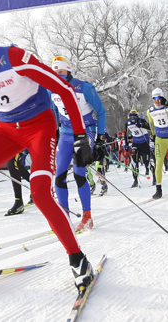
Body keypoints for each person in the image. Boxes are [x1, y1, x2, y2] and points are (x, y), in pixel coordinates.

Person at [0, 13, 94, 288]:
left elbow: (63, 89)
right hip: (5, 130)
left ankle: (77, 258)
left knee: (39, 192)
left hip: (39, 126)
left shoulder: (14, 58)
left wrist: (80, 137)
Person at [49, 56, 106, 232]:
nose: (59, 75)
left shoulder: (84, 88)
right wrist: (55, 131)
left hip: (84, 131)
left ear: (68, 70)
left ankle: (87, 217)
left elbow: (101, 111)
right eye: (55, 72)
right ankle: (64, 218)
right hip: (66, 134)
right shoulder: (52, 90)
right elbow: (53, 112)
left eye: (61, 72)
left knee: (79, 173)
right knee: (59, 175)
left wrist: (100, 139)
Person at [124, 109, 154, 188]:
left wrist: (142, 125)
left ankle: (155, 177)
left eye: (134, 116)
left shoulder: (142, 120)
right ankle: (135, 180)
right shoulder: (128, 123)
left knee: (146, 162)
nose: (133, 117)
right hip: (136, 143)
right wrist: (126, 144)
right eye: (131, 116)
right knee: (134, 162)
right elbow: (125, 134)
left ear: (137, 116)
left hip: (144, 143)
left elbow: (150, 128)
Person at [5, 150, 31, 216]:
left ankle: (19, 201)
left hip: (16, 142)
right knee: (17, 165)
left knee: (12, 163)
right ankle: (37, 188)